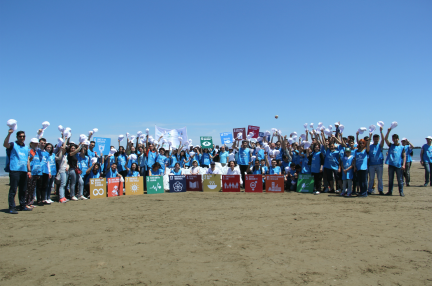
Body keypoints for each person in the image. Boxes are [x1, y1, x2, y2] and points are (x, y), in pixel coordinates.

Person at [4, 130, 30, 214]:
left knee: (23, 190)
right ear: (17, 137)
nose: (22, 138)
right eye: (20, 136)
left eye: (23, 136)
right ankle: (12, 207)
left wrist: (28, 170)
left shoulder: (26, 148)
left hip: (24, 171)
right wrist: (9, 134)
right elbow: (5, 145)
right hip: (15, 170)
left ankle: (23, 206)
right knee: (13, 190)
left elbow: (27, 160)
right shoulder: (13, 145)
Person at [384, 128, 406, 196]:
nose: (395, 139)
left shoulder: (402, 147)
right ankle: (390, 192)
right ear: (392, 139)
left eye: (396, 138)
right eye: (393, 138)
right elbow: (385, 139)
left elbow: (404, 156)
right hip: (391, 164)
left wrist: (404, 165)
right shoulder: (391, 145)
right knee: (390, 179)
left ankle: (401, 192)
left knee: (400, 179)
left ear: (398, 139)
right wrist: (388, 131)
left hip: (398, 165)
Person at [368, 127, 385, 195]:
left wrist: (381, 132)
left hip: (379, 164)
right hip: (371, 164)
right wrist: (370, 135)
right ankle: (369, 190)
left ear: (378, 139)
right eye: (374, 139)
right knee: (371, 178)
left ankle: (380, 190)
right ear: (373, 139)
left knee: (380, 178)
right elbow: (367, 146)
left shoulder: (380, 146)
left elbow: (383, 139)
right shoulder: (370, 146)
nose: (375, 140)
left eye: (377, 139)